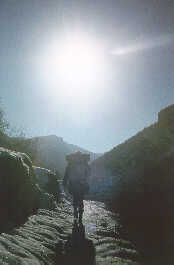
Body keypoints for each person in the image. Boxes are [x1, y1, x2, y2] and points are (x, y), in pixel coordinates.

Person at [63, 151, 90, 223]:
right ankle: (80, 215)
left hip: (73, 184)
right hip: (82, 184)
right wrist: (85, 181)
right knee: (81, 199)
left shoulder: (71, 163)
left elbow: (67, 173)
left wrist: (64, 183)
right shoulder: (85, 163)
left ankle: (75, 213)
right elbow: (88, 173)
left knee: (75, 198)